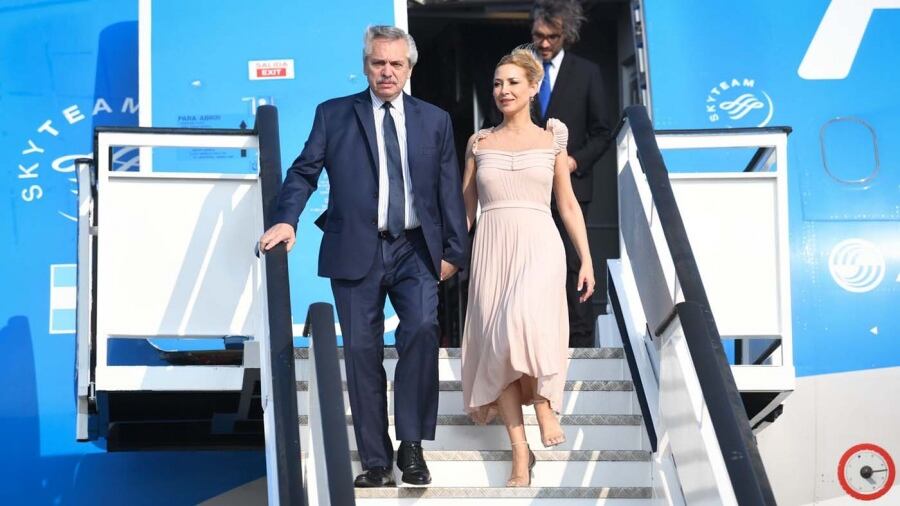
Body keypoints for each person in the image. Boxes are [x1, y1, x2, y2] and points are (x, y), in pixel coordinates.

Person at [259, 25, 468, 488]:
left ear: (409, 68)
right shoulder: (334, 114)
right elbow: (303, 170)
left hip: (416, 249)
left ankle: (411, 446)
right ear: (366, 65)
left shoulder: (434, 120)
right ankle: (376, 460)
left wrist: (455, 251)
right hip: (357, 246)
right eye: (379, 62)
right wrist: (286, 219)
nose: (387, 71)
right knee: (359, 349)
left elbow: (447, 190)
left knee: (422, 330)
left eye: (396, 63)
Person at [460, 47, 595, 487]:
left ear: (534, 87)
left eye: (514, 82)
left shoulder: (553, 138)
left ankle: (543, 402)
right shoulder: (479, 143)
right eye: (498, 83)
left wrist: (587, 259)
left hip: (540, 242)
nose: (504, 90)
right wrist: (448, 256)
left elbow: (568, 204)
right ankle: (521, 452)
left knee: (521, 321)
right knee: (495, 344)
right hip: (492, 246)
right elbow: (466, 210)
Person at [484, 0, 611, 347]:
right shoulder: (517, 75)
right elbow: (494, 124)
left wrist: (572, 162)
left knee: (572, 264)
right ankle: (534, 340)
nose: (543, 43)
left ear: (565, 36)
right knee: (527, 268)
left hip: (572, 187)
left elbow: (603, 132)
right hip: (524, 190)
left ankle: (579, 343)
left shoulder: (587, 73)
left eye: (551, 37)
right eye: (538, 36)